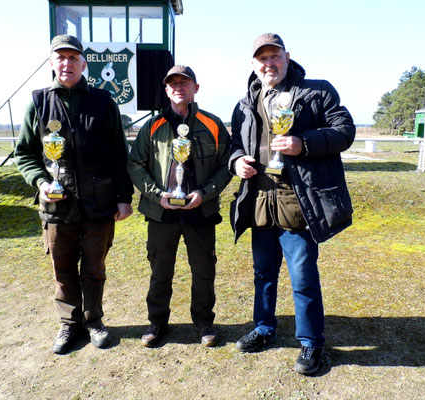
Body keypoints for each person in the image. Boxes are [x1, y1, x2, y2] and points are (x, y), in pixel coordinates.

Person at [229, 33, 355, 375]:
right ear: (253, 66)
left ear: (287, 57)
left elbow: (345, 131)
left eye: (274, 57)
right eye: (261, 59)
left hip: (298, 201)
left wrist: (304, 143)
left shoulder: (317, 91)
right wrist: (237, 161)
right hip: (259, 200)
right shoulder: (244, 104)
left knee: (302, 276)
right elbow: (234, 145)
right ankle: (264, 327)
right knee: (263, 274)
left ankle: (312, 343)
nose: (268, 64)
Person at [14, 34, 133, 354]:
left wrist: (124, 197)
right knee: (63, 269)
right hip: (56, 206)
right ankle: (69, 325)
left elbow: (120, 155)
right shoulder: (38, 102)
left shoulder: (104, 101)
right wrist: (40, 181)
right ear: (52, 63)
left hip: (99, 203)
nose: (66, 63)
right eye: (60, 58)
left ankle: (93, 321)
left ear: (83, 63)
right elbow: (24, 153)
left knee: (94, 268)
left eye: (72, 58)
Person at [128, 65, 232, 347]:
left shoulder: (213, 124)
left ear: (195, 88)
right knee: (160, 271)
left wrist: (206, 193)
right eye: (172, 83)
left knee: (203, 271)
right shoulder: (152, 127)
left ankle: (204, 324)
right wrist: (156, 195)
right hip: (162, 213)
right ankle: (157, 322)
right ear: (166, 90)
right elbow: (135, 164)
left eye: (184, 82)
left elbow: (226, 166)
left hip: (201, 212)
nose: (178, 87)